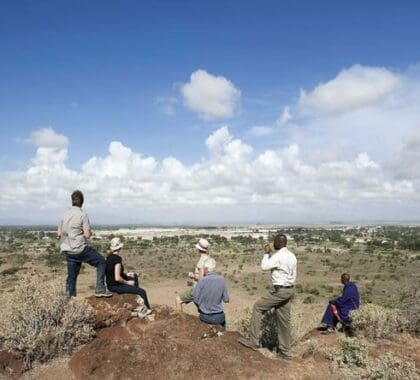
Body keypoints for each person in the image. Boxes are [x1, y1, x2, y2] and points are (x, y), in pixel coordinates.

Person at [239, 234, 297, 360]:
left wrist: (266, 253)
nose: (273, 243)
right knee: (284, 321)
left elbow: (264, 266)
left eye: (274, 241)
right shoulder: (292, 256)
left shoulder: (279, 256)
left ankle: (253, 341)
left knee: (258, 308)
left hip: (279, 290)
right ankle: (285, 352)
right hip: (289, 290)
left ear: (279, 242)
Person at [57, 190, 112, 298]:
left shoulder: (64, 215)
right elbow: (87, 235)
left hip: (68, 250)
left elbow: (58, 234)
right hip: (79, 248)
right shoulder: (82, 215)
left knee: (72, 277)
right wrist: (88, 233)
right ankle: (100, 289)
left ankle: (70, 299)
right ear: (82, 202)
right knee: (101, 262)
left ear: (72, 201)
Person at [105, 237, 152, 314]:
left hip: (111, 284)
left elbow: (113, 272)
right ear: (120, 247)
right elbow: (117, 278)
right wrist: (128, 283)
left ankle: (136, 297)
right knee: (142, 291)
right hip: (115, 286)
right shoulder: (117, 259)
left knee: (134, 276)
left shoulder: (109, 257)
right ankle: (146, 309)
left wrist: (126, 274)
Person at [193, 257, 229, 328]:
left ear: (206, 269)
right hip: (219, 317)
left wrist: (201, 307)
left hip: (205, 317)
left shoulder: (201, 281)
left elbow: (195, 299)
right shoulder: (221, 279)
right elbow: (226, 299)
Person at [175, 238, 210, 312]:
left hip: (198, 288)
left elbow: (202, 279)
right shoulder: (208, 259)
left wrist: (192, 276)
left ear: (198, 249)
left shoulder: (202, 261)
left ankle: (179, 320)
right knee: (202, 309)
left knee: (178, 299)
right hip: (206, 288)